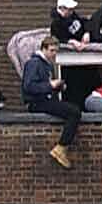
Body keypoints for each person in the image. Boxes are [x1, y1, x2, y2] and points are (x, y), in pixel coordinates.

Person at [20, 35, 80, 168]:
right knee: (74, 112)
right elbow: (28, 86)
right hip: (36, 103)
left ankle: (61, 148)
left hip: (43, 100)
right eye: (52, 50)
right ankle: (61, 148)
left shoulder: (47, 65)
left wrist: (57, 88)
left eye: (56, 51)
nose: (54, 54)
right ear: (44, 49)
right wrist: (50, 85)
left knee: (74, 110)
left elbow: (46, 87)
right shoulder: (34, 63)